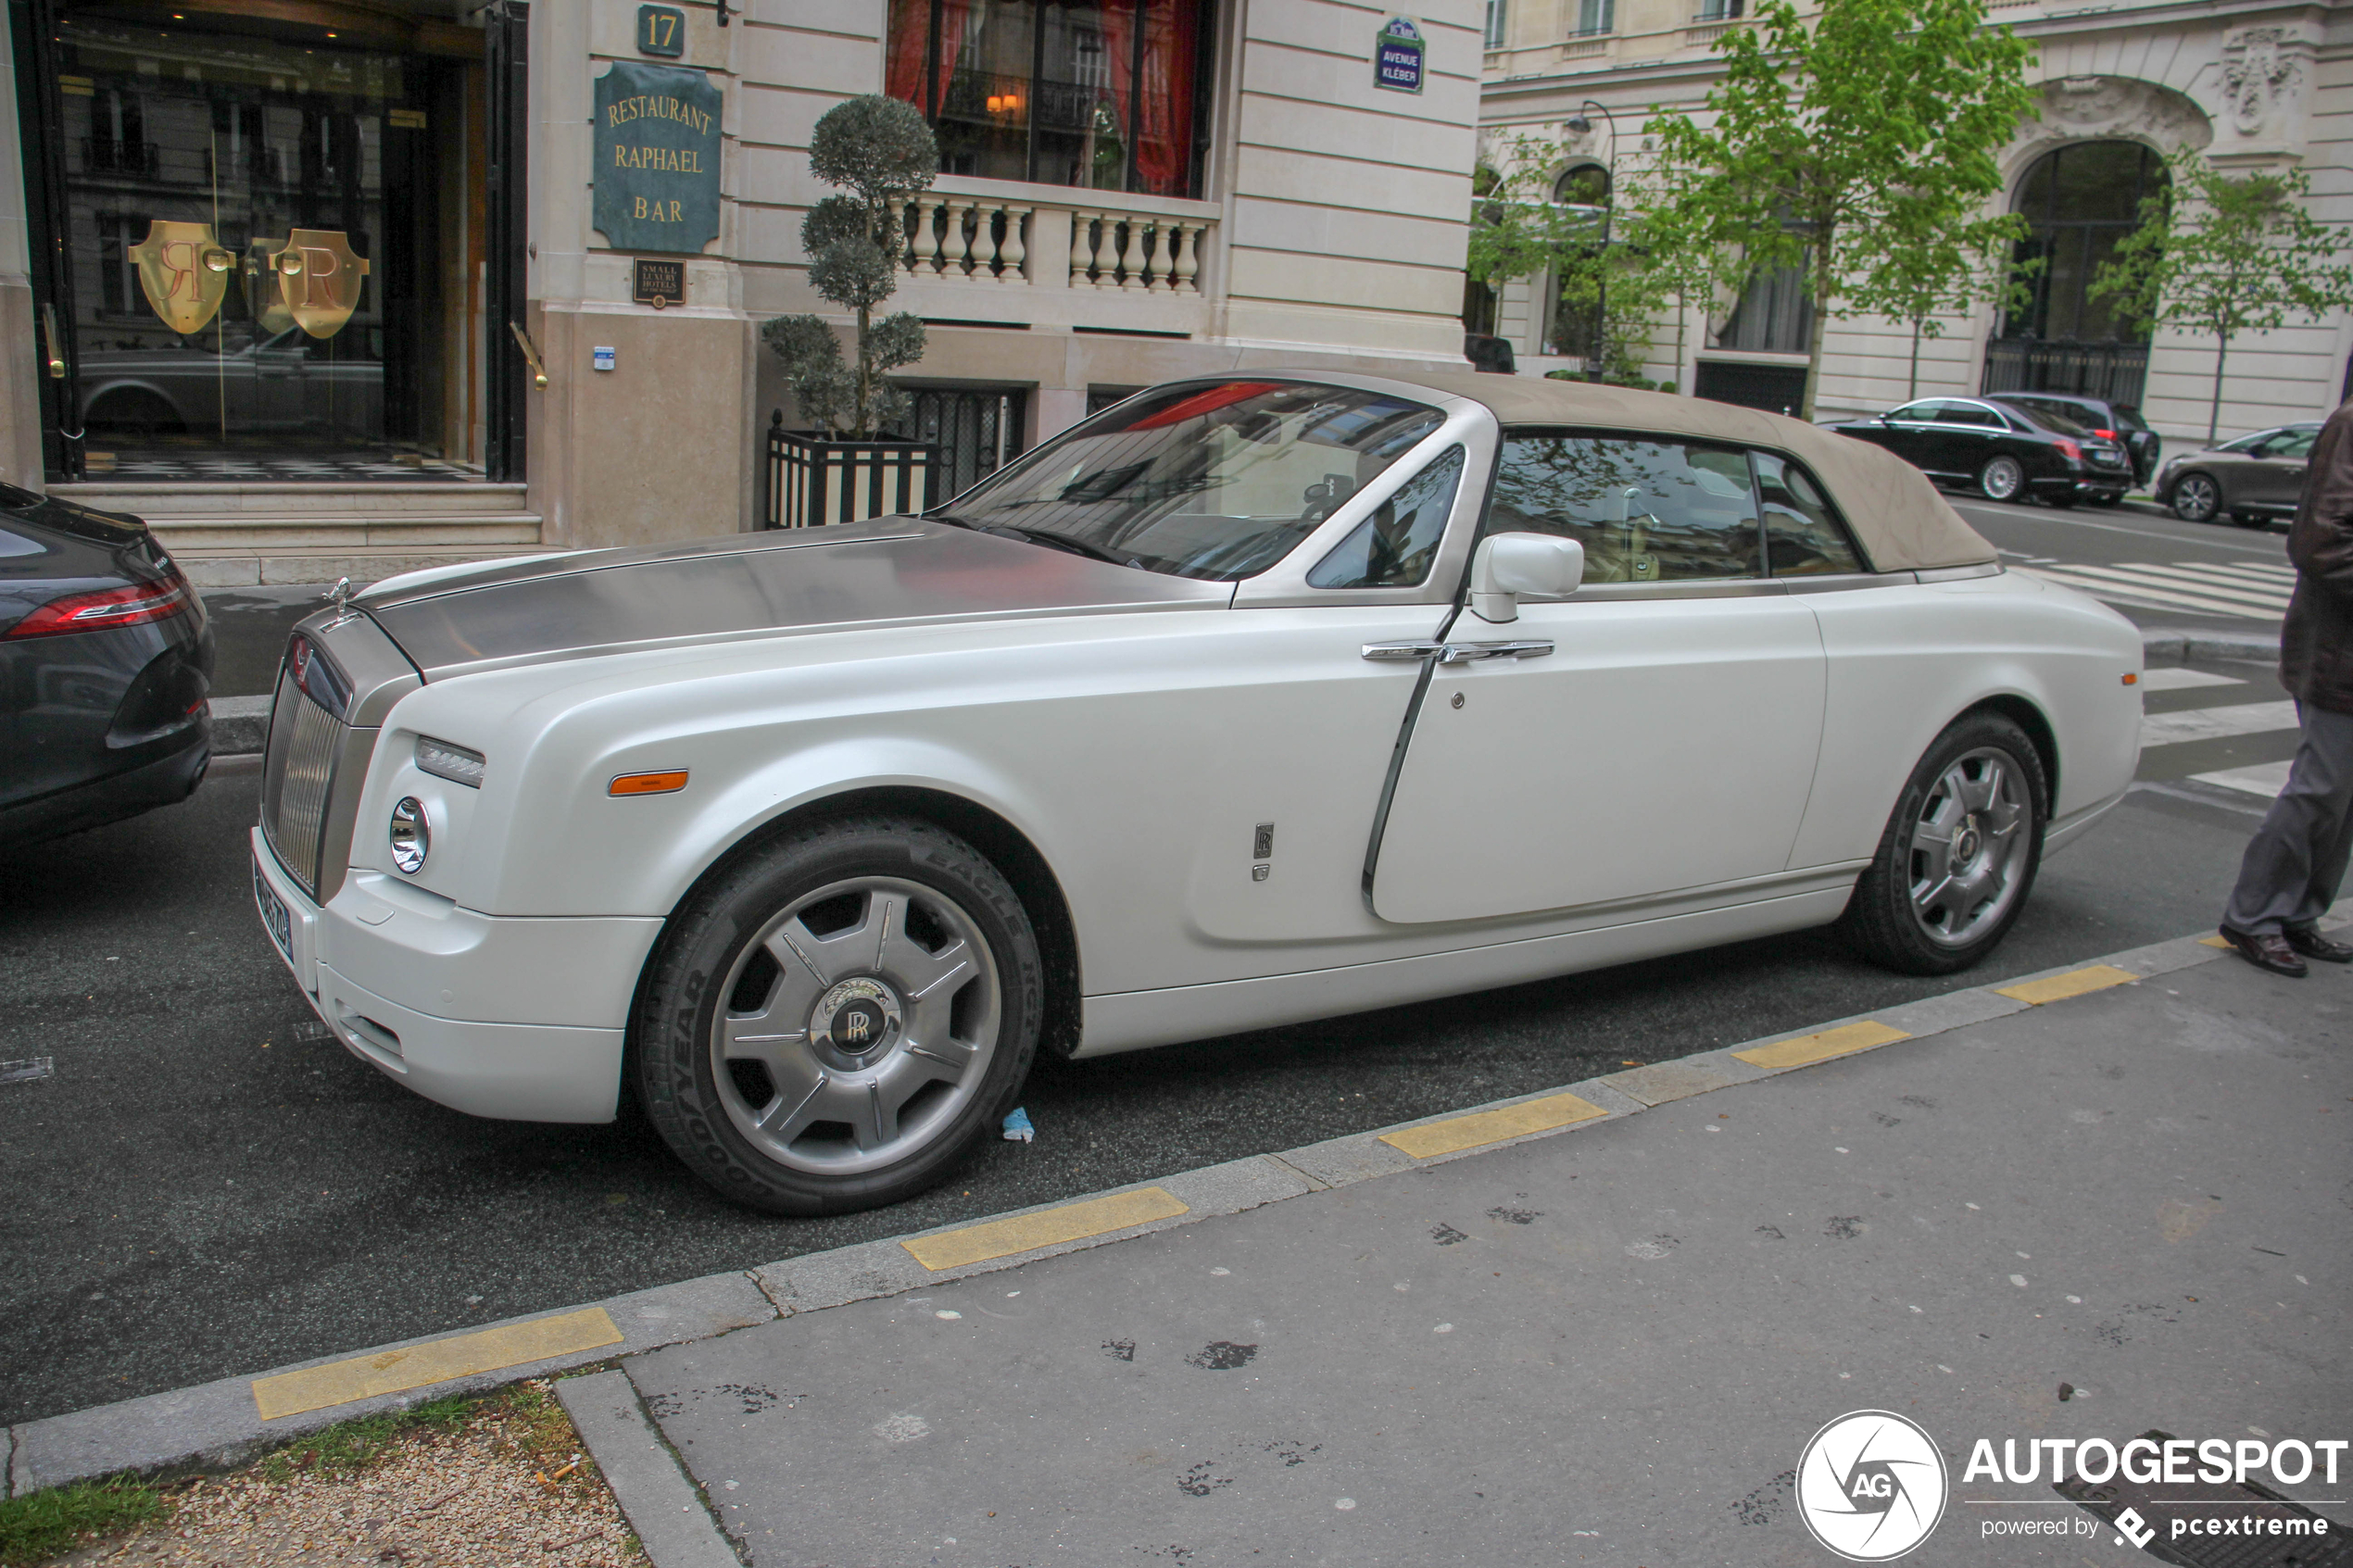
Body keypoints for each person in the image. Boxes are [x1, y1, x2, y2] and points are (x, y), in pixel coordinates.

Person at [2218, 395, 2353, 977]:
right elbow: (2320, 542)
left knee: (2343, 799)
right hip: (2338, 648)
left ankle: (2298, 914)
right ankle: (2254, 915)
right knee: (2322, 787)